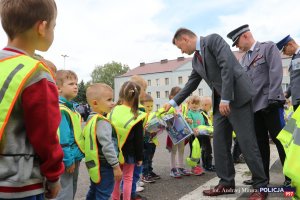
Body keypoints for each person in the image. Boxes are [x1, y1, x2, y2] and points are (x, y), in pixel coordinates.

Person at [164, 28, 268, 199]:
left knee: (247, 142)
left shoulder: (212, 41)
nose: (181, 51)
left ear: (184, 38)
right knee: (219, 142)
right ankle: (226, 183)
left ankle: (261, 186)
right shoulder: (196, 61)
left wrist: (226, 98)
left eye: (179, 47)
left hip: (237, 98)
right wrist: (172, 102)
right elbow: (191, 84)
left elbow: (226, 66)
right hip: (221, 103)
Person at [0, 0, 64, 199]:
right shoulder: (36, 73)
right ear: (42, 27)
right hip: (19, 184)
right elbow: (45, 134)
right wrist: (53, 177)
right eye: (54, 26)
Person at [227, 24, 289, 186]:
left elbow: (275, 72)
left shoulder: (267, 48)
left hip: (270, 105)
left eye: (237, 42)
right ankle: (262, 178)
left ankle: (289, 177)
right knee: (260, 145)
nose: (237, 46)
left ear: (246, 36)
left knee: (281, 141)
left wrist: (273, 98)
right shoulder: (244, 59)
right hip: (254, 108)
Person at [84, 83, 122, 200]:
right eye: (109, 100)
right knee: (104, 194)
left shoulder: (91, 118)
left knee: (94, 189)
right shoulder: (102, 122)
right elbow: (107, 146)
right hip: (106, 164)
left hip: (96, 163)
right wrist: (116, 166)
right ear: (95, 103)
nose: (113, 103)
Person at [109, 81, 147, 200]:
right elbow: (138, 140)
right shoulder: (136, 115)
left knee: (116, 177)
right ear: (136, 97)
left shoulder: (113, 111)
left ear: (121, 94)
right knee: (128, 178)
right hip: (130, 153)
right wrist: (140, 157)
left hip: (114, 150)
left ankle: (114, 198)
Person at [56, 70, 85, 200]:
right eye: (71, 83)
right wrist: (68, 160)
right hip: (68, 158)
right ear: (58, 88)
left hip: (74, 156)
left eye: (76, 83)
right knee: (65, 192)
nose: (75, 86)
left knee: (71, 187)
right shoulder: (61, 109)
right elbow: (63, 139)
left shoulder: (70, 107)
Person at [166, 87, 191, 178]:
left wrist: (187, 119)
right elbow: (164, 116)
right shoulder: (169, 105)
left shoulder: (183, 106)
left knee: (181, 149)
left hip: (182, 131)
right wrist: (172, 115)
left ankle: (180, 167)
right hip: (173, 131)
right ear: (172, 96)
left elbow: (184, 116)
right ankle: (173, 168)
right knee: (173, 150)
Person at [276, 35, 300, 111]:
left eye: (284, 50)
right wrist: (286, 93)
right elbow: (295, 79)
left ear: (290, 44)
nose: (284, 53)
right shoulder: (294, 58)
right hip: (296, 101)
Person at [141, 94, 161, 183]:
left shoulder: (153, 115)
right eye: (147, 106)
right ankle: (145, 174)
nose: (150, 108)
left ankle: (149, 171)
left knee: (150, 157)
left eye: (151, 106)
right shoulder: (141, 116)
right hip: (144, 141)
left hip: (152, 140)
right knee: (145, 158)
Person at [186, 95, 205, 176]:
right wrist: (189, 122)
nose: (194, 105)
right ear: (189, 104)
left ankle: (197, 166)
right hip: (193, 135)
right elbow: (188, 122)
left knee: (198, 150)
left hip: (200, 135)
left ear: (199, 105)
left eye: (196, 103)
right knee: (193, 151)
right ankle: (193, 167)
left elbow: (203, 124)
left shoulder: (200, 113)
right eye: (193, 103)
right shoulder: (189, 113)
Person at [198, 96, 215, 171]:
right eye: (210, 106)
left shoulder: (202, 113)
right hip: (204, 134)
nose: (210, 108)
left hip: (202, 134)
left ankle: (205, 165)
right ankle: (208, 165)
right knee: (207, 149)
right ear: (205, 105)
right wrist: (211, 130)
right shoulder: (202, 114)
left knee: (204, 149)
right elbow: (206, 124)